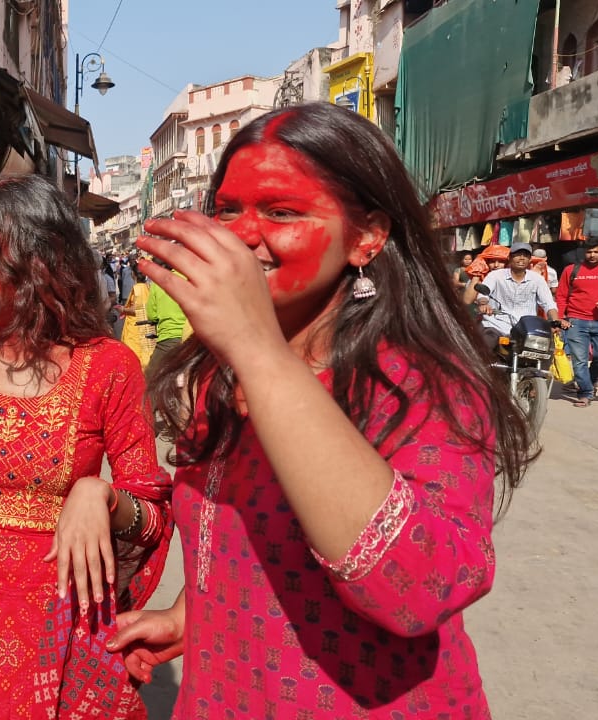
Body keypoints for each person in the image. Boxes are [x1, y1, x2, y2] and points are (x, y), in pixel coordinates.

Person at [105, 102, 536, 718]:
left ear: (367, 237)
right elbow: (238, 544)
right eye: (228, 210)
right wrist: (192, 615)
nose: (243, 234)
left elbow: (416, 590)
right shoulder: (218, 376)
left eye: (282, 212)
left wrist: (258, 351)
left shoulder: (422, 383)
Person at [0, 173, 173, 719]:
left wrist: (102, 498)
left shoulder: (108, 368)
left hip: (63, 630)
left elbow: (154, 518)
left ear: (38, 262)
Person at [463, 242, 558, 346]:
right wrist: (483, 304)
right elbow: (482, 295)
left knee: (545, 352)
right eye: (517, 255)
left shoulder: (537, 279)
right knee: (485, 346)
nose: (521, 258)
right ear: (510, 258)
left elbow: (549, 304)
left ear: (530, 259)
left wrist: (555, 321)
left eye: (525, 256)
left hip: (526, 330)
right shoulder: (494, 276)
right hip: (496, 326)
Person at [556, 237, 598, 406]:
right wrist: (560, 318)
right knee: (579, 359)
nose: (592, 255)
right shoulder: (571, 270)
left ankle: (592, 380)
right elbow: (562, 296)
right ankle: (585, 392)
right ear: (583, 252)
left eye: (596, 251)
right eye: (589, 251)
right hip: (576, 321)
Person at [144, 267, 192, 378]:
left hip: (168, 339)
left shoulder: (159, 283)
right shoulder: (193, 279)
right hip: (194, 340)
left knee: (149, 379)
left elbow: (152, 315)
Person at [118, 264, 153, 369]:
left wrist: (123, 309)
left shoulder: (138, 288)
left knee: (136, 355)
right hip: (145, 325)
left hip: (136, 327)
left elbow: (137, 309)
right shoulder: (148, 286)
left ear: (133, 274)